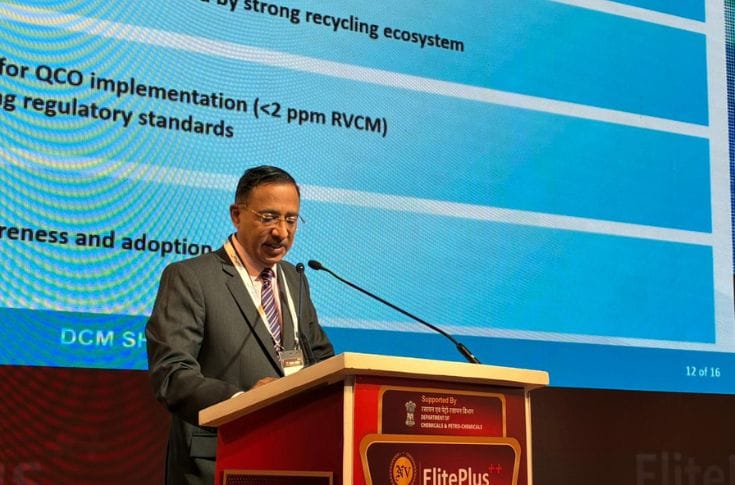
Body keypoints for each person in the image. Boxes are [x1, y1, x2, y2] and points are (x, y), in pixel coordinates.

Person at [146, 165, 335, 485]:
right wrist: (243, 403)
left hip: (294, 458)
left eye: (291, 220)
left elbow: (321, 359)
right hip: (220, 459)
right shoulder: (190, 277)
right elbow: (172, 375)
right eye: (269, 217)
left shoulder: (295, 279)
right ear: (236, 215)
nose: (281, 232)